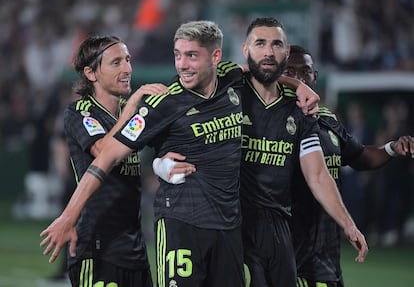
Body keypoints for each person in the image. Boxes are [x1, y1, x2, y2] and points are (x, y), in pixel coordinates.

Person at [40, 21, 319, 287]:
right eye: (178, 55)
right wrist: (68, 216)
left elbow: (260, 72)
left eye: (192, 56)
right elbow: (106, 156)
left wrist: (299, 85)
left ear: (215, 57)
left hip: (227, 230)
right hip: (179, 227)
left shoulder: (230, 79)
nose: (182, 64)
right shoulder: (162, 103)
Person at [154, 17, 368, 287]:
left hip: (279, 227)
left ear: (286, 52)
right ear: (246, 50)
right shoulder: (226, 93)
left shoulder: (298, 109)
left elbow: (317, 175)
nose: (268, 51)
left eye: (276, 44)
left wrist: (348, 224)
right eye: (260, 44)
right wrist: (159, 163)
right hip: (234, 223)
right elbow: (181, 119)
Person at [41, 35, 169, 287]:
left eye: (128, 60)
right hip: (97, 246)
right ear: (91, 73)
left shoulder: (131, 114)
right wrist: (132, 106)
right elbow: (104, 152)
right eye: (116, 62)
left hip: (135, 250)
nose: (127, 69)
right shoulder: (79, 112)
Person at [286, 45, 414, 287]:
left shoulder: (327, 120)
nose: (299, 79)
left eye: (305, 72)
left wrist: (392, 148)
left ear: (315, 77)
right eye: (290, 72)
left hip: (327, 254)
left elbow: (360, 156)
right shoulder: (272, 122)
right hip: (292, 256)